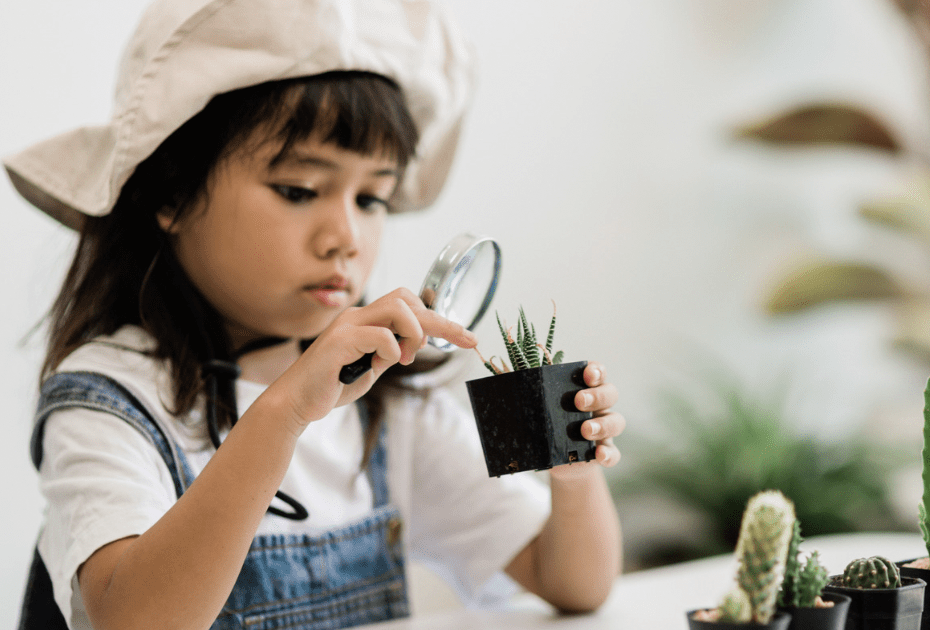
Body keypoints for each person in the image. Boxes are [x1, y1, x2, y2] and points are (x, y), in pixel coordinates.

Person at [5, 1, 625, 629]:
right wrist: (286, 409)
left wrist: (572, 466)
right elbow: (133, 620)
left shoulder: (389, 400)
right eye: (299, 190)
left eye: (372, 197)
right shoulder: (112, 398)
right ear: (171, 193)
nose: (346, 236)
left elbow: (575, 582)